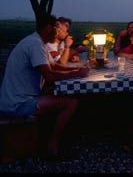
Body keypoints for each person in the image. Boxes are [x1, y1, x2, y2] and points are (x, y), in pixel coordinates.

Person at [0, 14, 90, 158]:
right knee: (71, 102)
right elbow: (50, 75)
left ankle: (57, 137)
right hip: (18, 103)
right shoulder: (35, 44)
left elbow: (54, 66)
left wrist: (77, 70)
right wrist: (78, 74)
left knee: (65, 94)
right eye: (56, 28)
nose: (57, 32)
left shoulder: (36, 41)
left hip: (20, 97)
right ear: (49, 28)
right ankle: (52, 146)